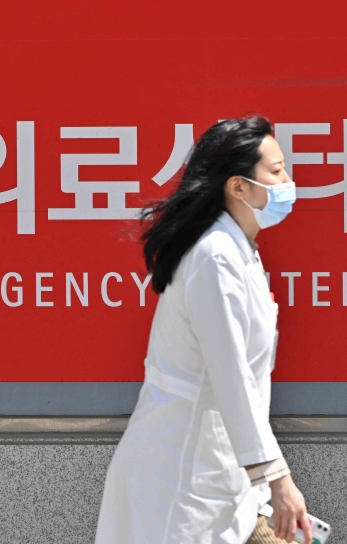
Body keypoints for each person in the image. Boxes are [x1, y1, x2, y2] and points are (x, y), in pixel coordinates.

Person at [95, 116, 312, 544]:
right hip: (181, 478)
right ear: (238, 187)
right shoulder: (215, 257)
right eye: (276, 171)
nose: (288, 181)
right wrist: (278, 480)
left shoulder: (238, 251)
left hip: (215, 475)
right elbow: (231, 377)